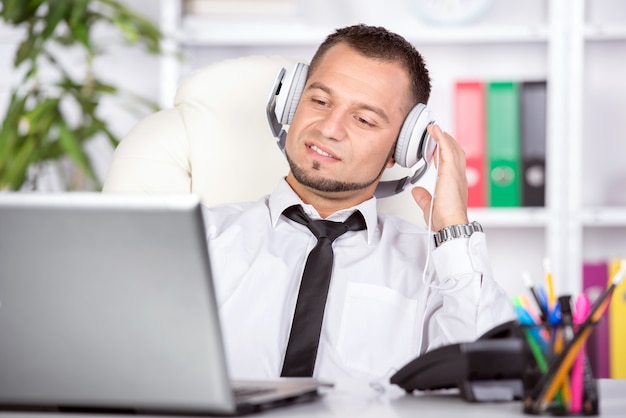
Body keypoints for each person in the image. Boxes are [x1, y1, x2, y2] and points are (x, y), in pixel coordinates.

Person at [202, 24, 515, 381]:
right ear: (291, 102)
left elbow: (489, 382)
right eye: (319, 101)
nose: (329, 128)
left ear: (402, 150)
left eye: (364, 119)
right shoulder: (199, 238)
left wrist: (454, 231)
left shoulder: (434, 269)